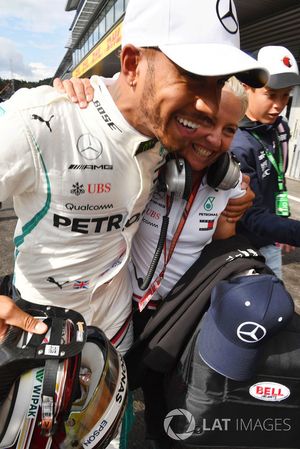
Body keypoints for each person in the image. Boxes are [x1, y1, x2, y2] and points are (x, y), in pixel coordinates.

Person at [0, 0, 267, 447]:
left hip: (118, 349)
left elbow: (225, 171)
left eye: (217, 82)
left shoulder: (170, 136)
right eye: (192, 77)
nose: (207, 106)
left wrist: (239, 197)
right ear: (131, 63)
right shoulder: (42, 120)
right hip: (39, 347)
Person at [231, 45, 300, 278]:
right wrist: (290, 231)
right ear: (246, 88)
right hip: (239, 246)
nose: (279, 105)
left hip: (270, 239)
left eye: (285, 95)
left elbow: (277, 180)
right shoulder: (235, 141)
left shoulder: (280, 128)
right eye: (270, 95)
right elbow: (250, 214)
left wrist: (282, 224)